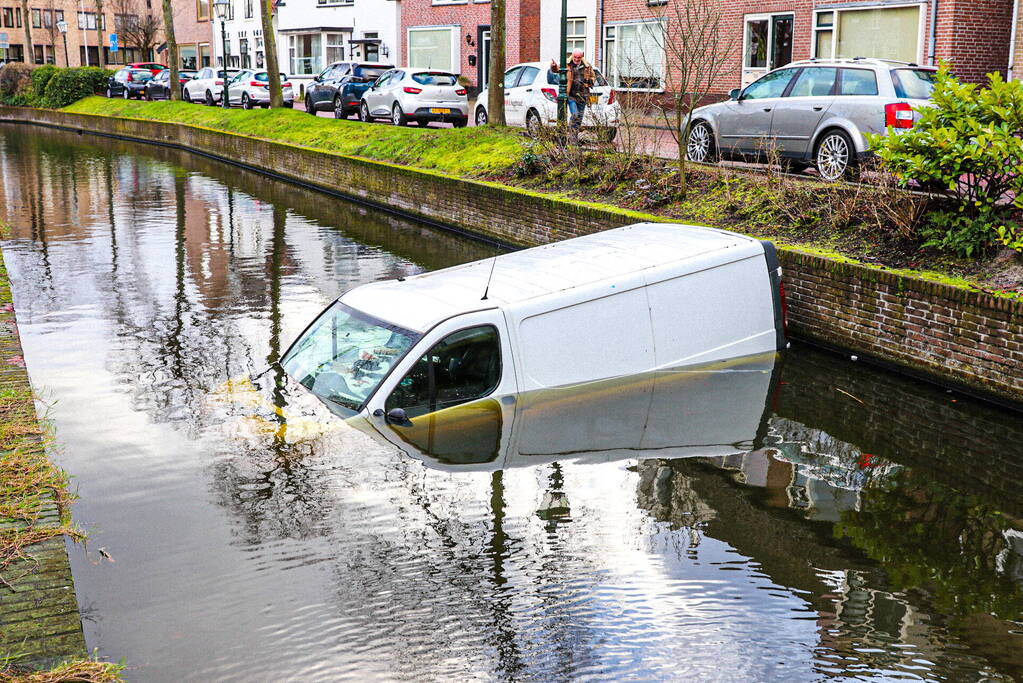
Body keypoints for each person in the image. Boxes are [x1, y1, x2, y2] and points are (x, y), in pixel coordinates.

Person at [549, 49, 594, 141]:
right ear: (572, 56)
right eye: (575, 57)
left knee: (579, 118)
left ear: (582, 57)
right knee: (575, 114)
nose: (577, 59)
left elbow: (593, 76)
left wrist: (590, 82)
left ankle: (574, 138)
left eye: (579, 57)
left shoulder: (587, 66)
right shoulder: (567, 64)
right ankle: (571, 136)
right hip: (571, 95)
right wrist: (553, 67)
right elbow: (557, 70)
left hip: (582, 95)